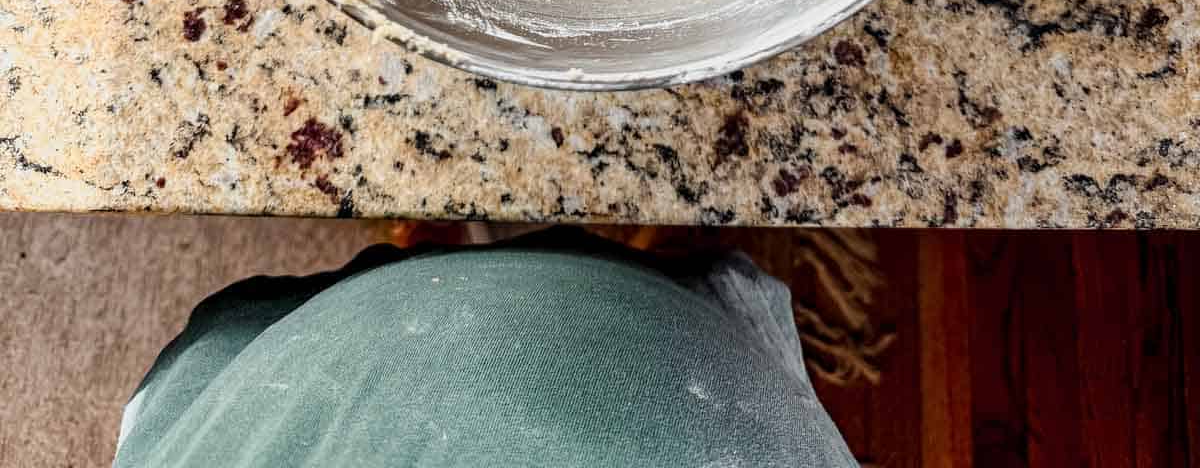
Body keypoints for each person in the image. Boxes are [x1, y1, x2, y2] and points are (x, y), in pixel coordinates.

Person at [113, 230, 856, 466]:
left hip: (308, 367)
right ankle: (673, 259)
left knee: (389, 301)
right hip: (700, 377)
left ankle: (425, 252)